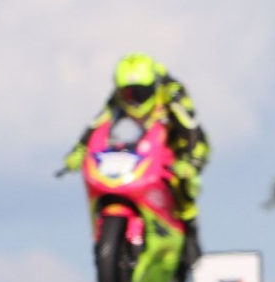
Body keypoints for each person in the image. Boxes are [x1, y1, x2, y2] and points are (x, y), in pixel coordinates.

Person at [61, 52, 209, 265]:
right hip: (145, 144)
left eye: (140, 93)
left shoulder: (172, 92)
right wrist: (78, 150)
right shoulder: (118, 98)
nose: (134, 99)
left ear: (153, 86)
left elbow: (190, 127)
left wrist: (190, 161)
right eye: (128, 94)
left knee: (183, 181)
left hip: (184, 143)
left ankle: (190, 233)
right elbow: (97, 123)